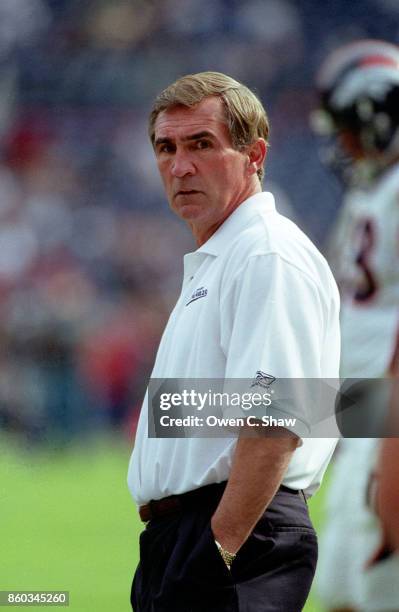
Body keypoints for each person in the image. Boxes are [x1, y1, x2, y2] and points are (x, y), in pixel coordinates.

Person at [127, 71, 340, 612]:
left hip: (236, 533)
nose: (179, 166)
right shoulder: (224, 257)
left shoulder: (264, 254)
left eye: (202, 144)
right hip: (198, 536)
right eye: (166, 147)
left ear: (255, 154)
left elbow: (276, 419)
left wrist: (217, 547)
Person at [311, 40, 399, 611]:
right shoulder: (374, 191)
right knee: (340, 588)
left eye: (347, 127)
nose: (341, 143)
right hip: (361, 411)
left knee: (379, 589)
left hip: (389, 415)